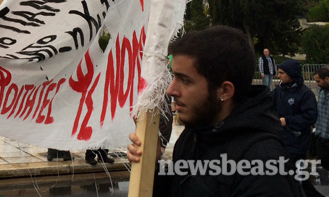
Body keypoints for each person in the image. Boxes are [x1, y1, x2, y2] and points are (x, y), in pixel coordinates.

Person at [127, 26, 303, 196]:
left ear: (225, 91)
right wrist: (150, 165)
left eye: (185, 80)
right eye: (174, 77)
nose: (171, 91)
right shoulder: (193, 135)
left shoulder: (264, 165)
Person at [273, 59, 322, 197]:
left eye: (282, 73)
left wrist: (287, 121)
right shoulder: (278, 90)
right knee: (287, 176)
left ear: (291, 73)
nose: (279, 75)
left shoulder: (305, 93)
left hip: (297, 142)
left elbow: (310, 117)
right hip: (281, 139)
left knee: (296, 178)